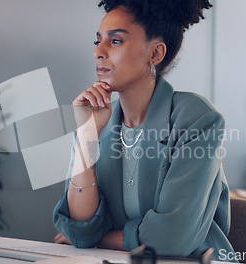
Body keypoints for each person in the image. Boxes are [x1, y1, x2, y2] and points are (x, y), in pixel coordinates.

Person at [53, 0, 235, 260]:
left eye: (115, 41)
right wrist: (86, 135)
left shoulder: (197, 118)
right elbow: (80, 227)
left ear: (155, 54)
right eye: (98, 41)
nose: (98, 52)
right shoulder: (99, 123)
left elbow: (172, 239)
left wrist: (102, 238)